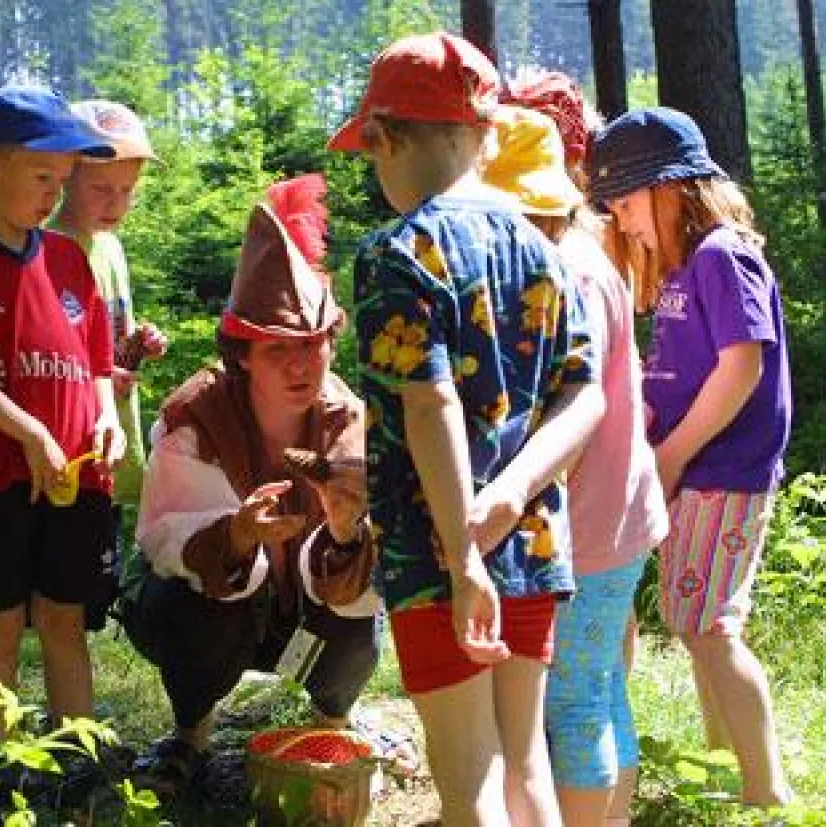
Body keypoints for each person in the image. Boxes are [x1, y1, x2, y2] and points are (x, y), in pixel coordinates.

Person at [328, 33, 604, 826]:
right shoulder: (544, 246)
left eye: (370, 150)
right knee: (526, 770)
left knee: (471, 786)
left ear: (384, 136)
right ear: (484, 134)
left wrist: (463, 552)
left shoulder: (396, 253)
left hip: (437, 553)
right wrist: (512, 495)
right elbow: (583, 397)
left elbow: (430, 404)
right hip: (535, 543)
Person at [121, 174, 380, 799]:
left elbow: (366, 572)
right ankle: (192, 733)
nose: (301, 365)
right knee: (196, 616)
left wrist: (345, 532)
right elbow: (164, 540)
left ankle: (329, 734)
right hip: (211, 611)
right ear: (242, 354)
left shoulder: (346, 419)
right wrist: (236, 534)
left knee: (358, 622)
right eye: (278, 350)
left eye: (314, 346)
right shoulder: (196, 417)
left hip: (301, 610)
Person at [589, 106, 794, 807]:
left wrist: (671, 455)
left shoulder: (721, 254)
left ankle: (766, 790)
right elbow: (681, 367)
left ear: (671, 187)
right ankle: (719, 767)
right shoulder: (681, 269)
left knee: (710, 626)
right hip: (693, 471)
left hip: (720, 471)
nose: (621, 220)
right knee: (693, 619)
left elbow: (742, 365)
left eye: (625, 201)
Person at [0, 85, 126, 741]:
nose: (53, 196)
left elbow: (95, 359)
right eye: (42, 177)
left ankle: (78, 756)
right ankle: (1, 762)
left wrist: (110, 418)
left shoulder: (69, 259)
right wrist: (30, 430)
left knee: (65, 618)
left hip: (79, 474)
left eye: (63, 181)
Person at [481, 104, 669, 827]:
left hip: (588, 526)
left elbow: (569, 415)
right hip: (614, 513)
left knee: (573, 699)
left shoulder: (570, 275)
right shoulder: (586, 258)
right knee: (598, 687)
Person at [50, 100, 169, 508]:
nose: (115, 204)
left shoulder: (111, 248)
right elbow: (47, 350)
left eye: (127, 191)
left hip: (118, 423)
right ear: (65, 178)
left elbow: (110, 330)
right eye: (101, 189)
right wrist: (97, 375)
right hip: (75, 434)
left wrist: (139, 342)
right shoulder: (48, 251)